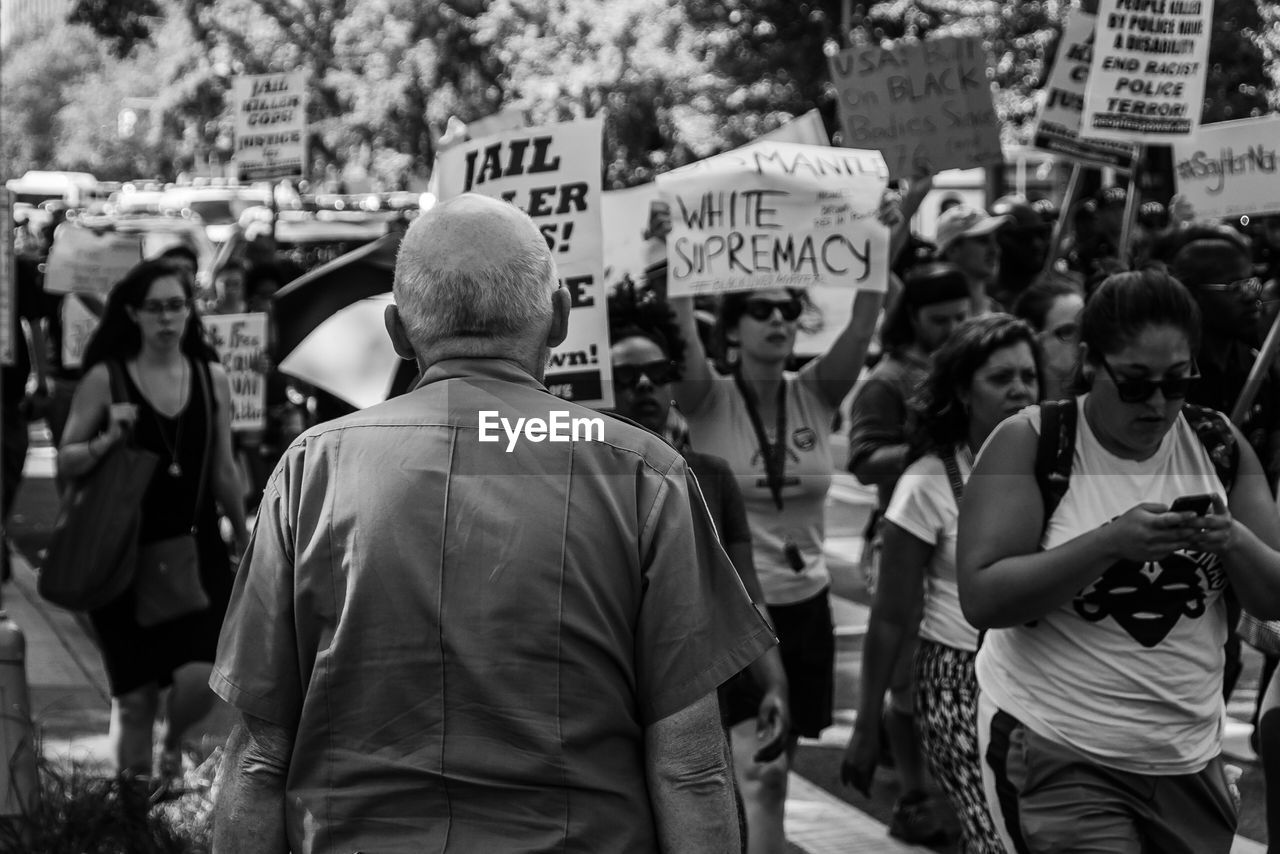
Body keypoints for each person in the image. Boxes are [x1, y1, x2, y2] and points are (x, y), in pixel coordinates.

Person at [210, 194, 775, 854]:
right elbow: (693, 771)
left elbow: (256, 762)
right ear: (559, 318)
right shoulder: (645, 474)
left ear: (397, 330)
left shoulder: (312, 472)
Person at [958, 267, 1280, 853]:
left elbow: (1274, 596)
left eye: (1177, 381)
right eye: (1134, 383)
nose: (1158, 403)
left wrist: (1231, 539)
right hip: (1058, 743)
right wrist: (1108, 543)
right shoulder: (1031, 441)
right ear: (1088, 361)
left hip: (1187, 757)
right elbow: (982, 596)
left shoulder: (1218, 444)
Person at [664, 226, 888, 851]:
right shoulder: (706, 398)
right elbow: (680, 318)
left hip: (804, 607)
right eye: (760, 309)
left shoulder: (817, 392)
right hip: (728, 613)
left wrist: (880, 234)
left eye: (789, 309)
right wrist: (684, 249)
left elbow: (867, 313)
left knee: (772, 768)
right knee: (756, 771)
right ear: (732, 329)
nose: (778, 319)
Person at [844, 313, 1041, 853]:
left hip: (1045, 677)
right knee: (995, 835)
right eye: (1001, 379)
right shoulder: (927, 482)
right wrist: (866, 726)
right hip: (958, 682)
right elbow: (890, 617)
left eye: (1029, 375)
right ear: (962, 390)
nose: (1020, 389)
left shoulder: (1061, 469)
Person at [57, 256, 249, 792]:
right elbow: (67, 459)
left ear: (190, 312)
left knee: (210, 674)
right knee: (135, 696)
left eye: (177, 306)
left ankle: (171, 746)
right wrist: (105, 440)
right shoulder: (107, 378)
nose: (167, 319)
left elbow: (225, 468)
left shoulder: (211, 378)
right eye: (155, 308)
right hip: (124, 551)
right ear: (133, 314)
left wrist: (247, 536)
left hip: (197, 544)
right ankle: (132, 813)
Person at [607, 294, 792, 845]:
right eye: (625, 375)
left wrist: (775, 685)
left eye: (658, 372)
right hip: (613, 696)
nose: (644, 386)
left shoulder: (709, 474)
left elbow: (745, 590)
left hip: (702, 688)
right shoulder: (572, 482)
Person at [845, 260, 971, 842]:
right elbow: (865, 460)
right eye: (938, 319)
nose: (951, 328)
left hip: (959, 540)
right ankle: (916, 790)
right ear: (911, 319)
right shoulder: (888, 380)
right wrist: (922, 447)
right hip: (900, 538)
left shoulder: (971, 370)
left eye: (961, 318)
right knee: (902, 671)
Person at [1012, 277, 1085, 402]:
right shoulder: (1017, 412)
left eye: (1085, 329)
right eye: (1068, 331)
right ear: (1035, 342)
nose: (1082, 341)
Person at [934, 205, 1012, 315]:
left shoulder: (998, 312)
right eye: (983, 240)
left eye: (996, 240)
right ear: (952, 250)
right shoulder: (935, 312)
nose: (996, 250)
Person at [989, 195, 1052, 308]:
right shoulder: (982, 298)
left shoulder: (1053, 293)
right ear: (998, 240)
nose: (1037, 244)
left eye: (1041, 233)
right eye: (1024, 236)